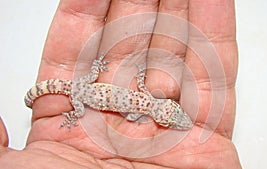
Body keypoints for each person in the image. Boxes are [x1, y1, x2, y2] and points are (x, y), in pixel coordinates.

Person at [0, 0, 241, 168]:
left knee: (88, 86)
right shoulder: (141, 109)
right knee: (79, 111)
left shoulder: (146, 100)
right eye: (174, 114)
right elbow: (130, 114)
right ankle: (45, 102)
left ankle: (53, 93)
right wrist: (74, 114)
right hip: (82, 96)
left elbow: (139, 86)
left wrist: (133, 74)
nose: (175, 114)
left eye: (173, 115)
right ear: (163, 111)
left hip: (88, 86)